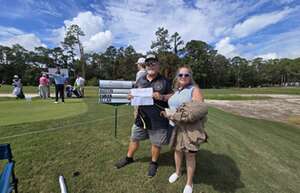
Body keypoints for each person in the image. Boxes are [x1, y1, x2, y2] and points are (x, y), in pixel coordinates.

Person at [115, 54, 173, 177]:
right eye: (148, 63)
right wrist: (130, 97)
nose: (150, 65)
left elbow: (173, 96)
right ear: (145, 66)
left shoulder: (165, 81)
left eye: (153, 63)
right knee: (134, 138)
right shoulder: (140, 80)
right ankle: (129, 158)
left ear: (158, 65)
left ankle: (153, 162)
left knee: (156, 143)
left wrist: (162, 96)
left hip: (159, 119)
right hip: (141, 117)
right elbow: (133, 94)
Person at [162, 66, 208, 193]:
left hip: (189, 129)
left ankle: (189, 183)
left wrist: (173, 115)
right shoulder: (177, 91)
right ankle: (177, 172)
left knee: (190, 156)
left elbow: (198, 111)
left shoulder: (194, 90)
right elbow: (168, 100)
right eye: (180, 75)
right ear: (177, 77)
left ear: (190, 77)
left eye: (186, 75)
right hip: (174, 127)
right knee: (177, 151)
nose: (183, 77)